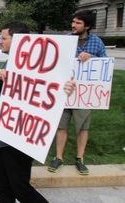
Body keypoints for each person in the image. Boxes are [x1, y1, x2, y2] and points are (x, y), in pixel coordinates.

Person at [0, 22, 76, 203]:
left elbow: (53, 91)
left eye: (3, 38)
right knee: (2, 185)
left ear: (18, 40)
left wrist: (65, 88)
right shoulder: (8, 62)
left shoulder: (41, 65)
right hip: (1, 136)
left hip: (21, 138)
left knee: (21, 189)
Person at [48, 10, 107, 176]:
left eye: (78, 23)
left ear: (87, 26)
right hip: (65, 92)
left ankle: (79, 158)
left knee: (83, 128)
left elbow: (105, 66)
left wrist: (92, 59)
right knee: (61, 126)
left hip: (84, 95)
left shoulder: (97, 43)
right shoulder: (66, 40)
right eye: (73, 22)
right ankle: (58, 157)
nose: (73, 25)